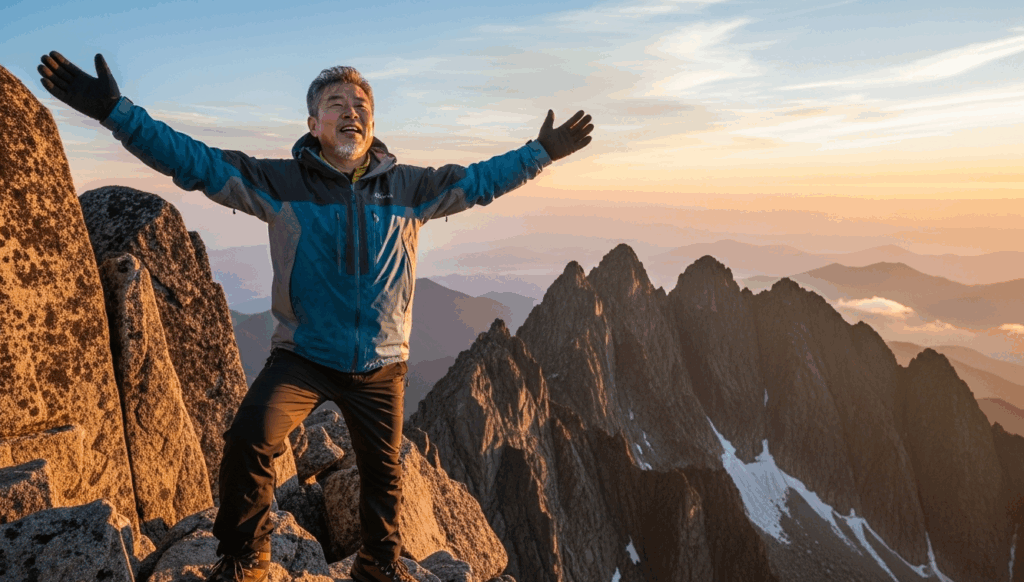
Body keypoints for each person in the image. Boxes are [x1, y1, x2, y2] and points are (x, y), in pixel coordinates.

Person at [38, 51, 592, 582]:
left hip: (381, 363)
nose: (351, 112)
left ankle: (379, 564)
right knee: (249, 439)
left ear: (372, 124)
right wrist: (117, 114)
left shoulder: (411, 187)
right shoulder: (282, 183)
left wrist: (542, 151)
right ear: (313, 121)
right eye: (336, 104)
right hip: (303, 356)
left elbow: (481, 180)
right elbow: (196, 162)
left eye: (361, 106)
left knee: (383, 476)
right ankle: (244, 560)